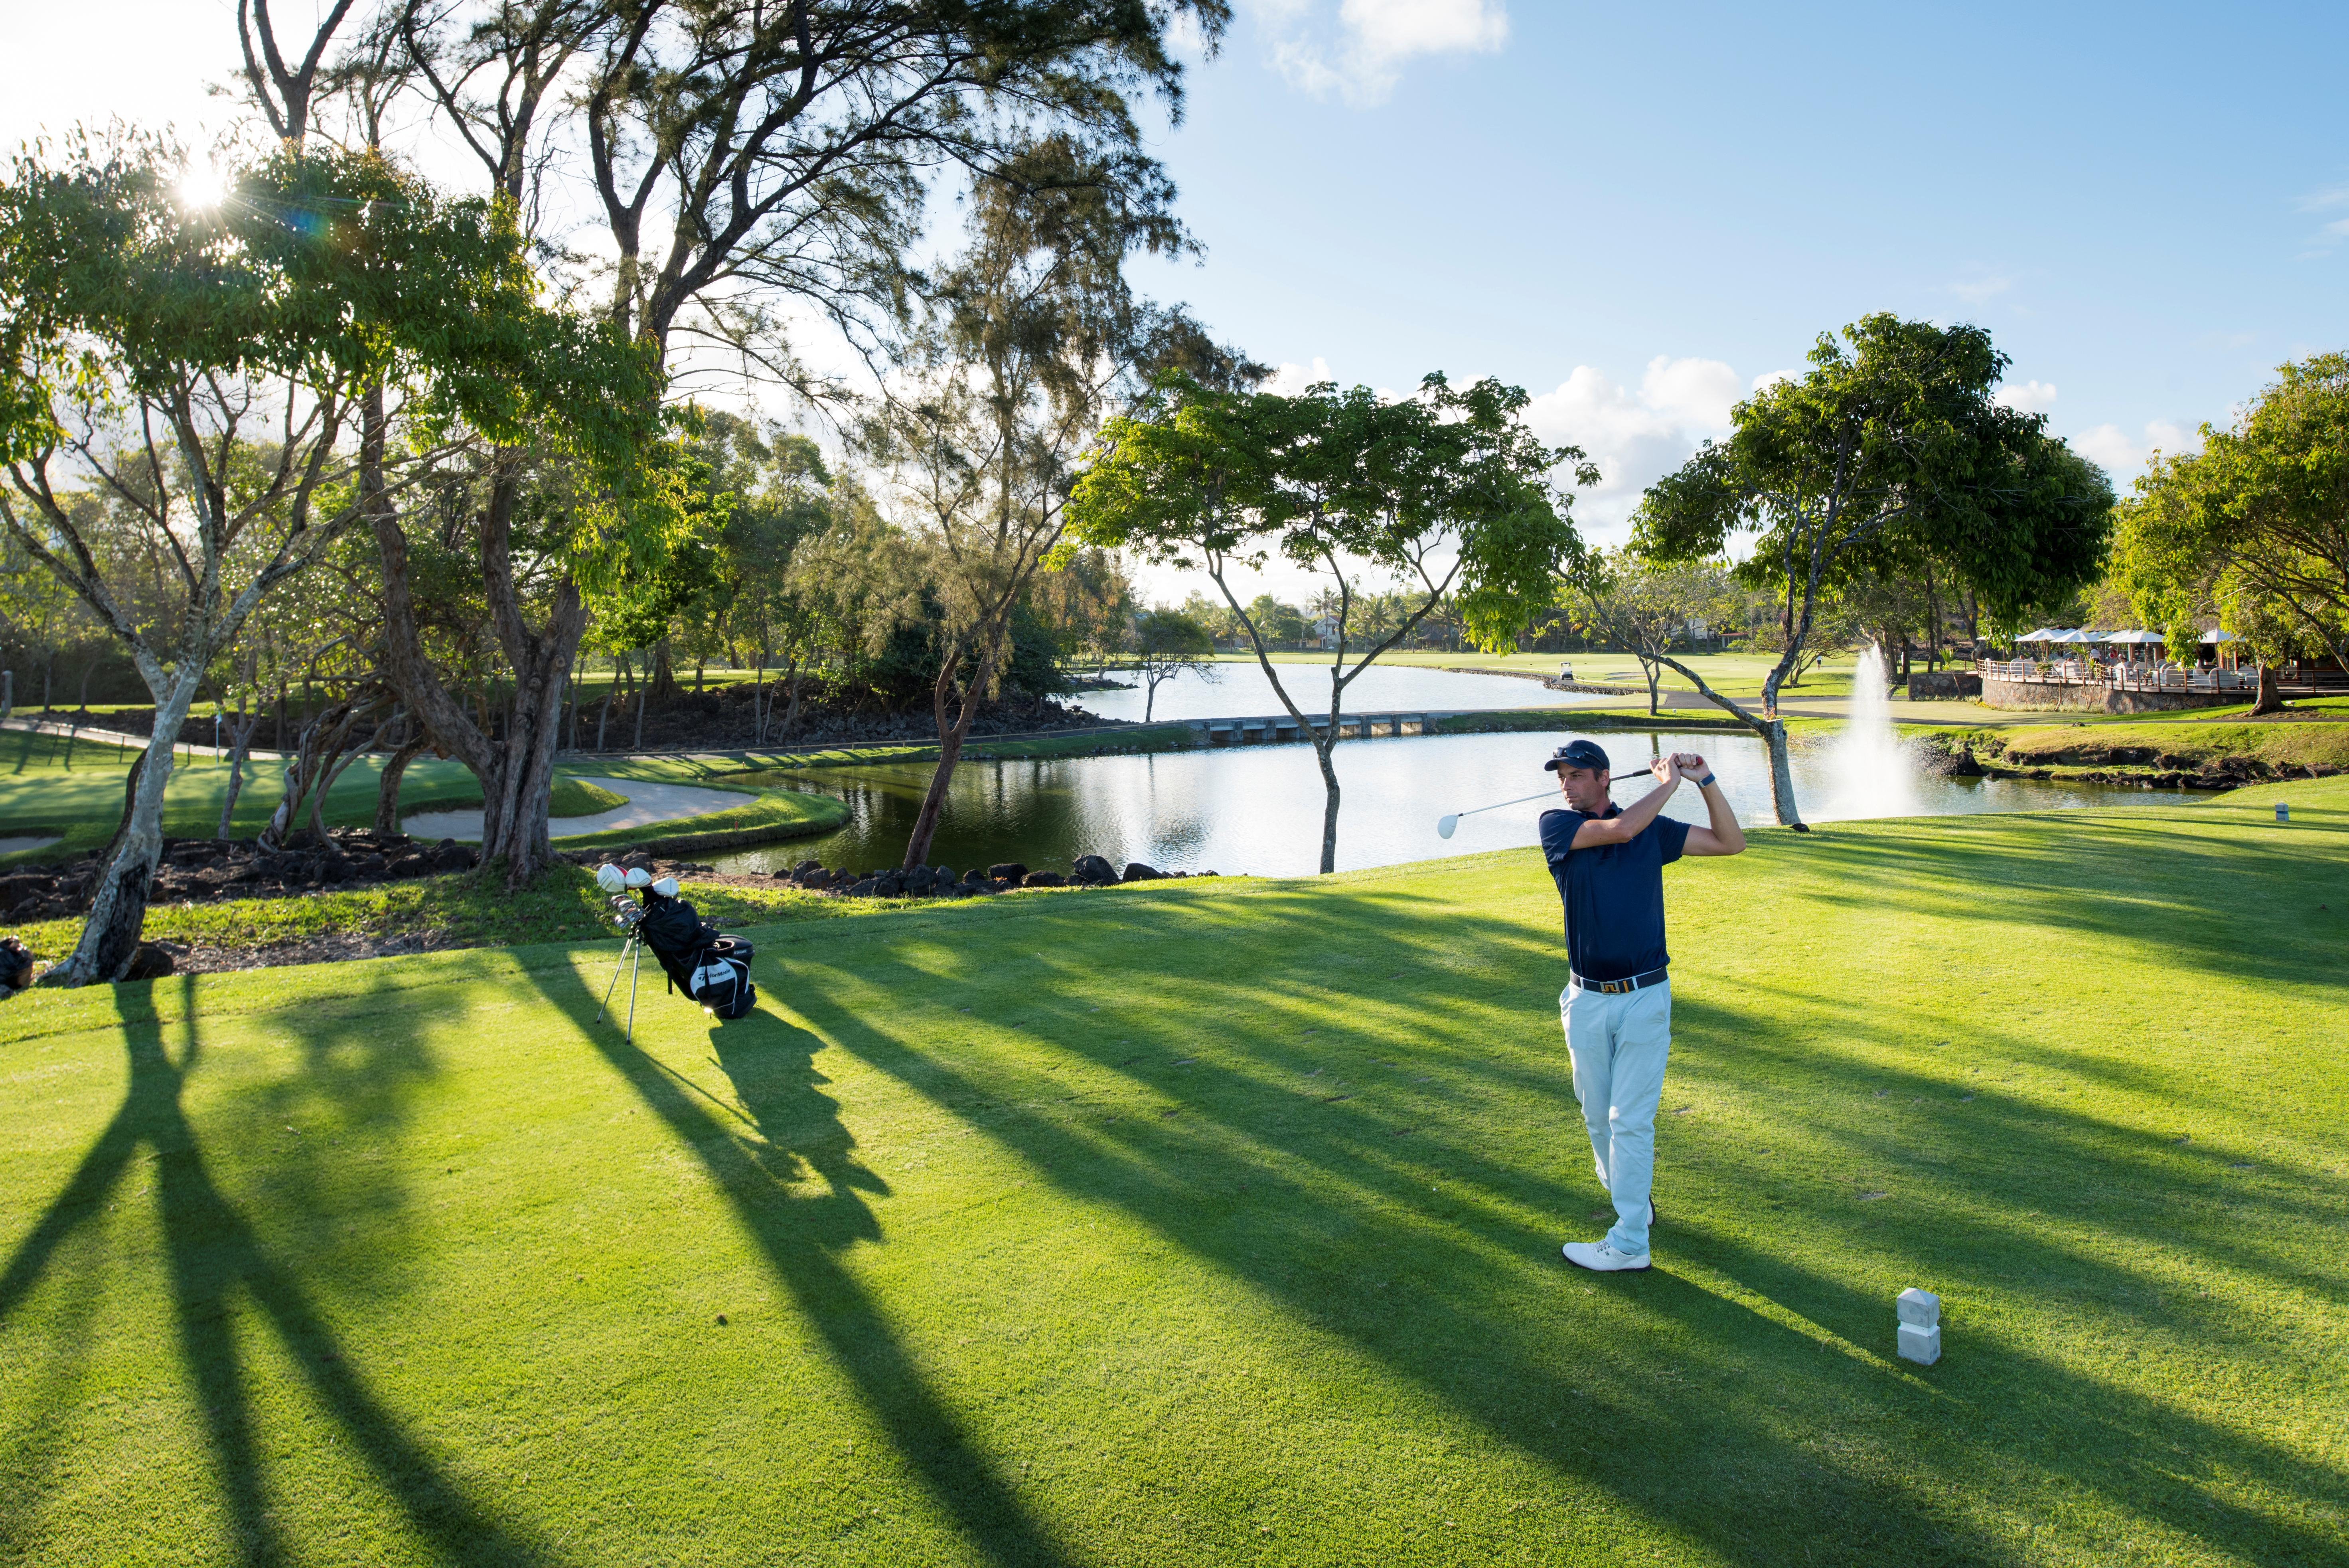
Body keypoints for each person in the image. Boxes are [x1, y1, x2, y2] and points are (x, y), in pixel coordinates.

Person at [1538, 739, 1745, 1272]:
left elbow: (1730, 841)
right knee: (1598, 1119)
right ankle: (1634, 1204)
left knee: (1629, 1121)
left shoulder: (1653, 830)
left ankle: (1630, 1240)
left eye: (1577, 774)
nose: (1567, 784)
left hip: (1645, 997)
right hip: (1585, 1000)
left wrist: (1705, 781)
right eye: (1562, 775)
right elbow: (1622, 829)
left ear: (1605, 777)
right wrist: (1669, 783)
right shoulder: (1557, 827)